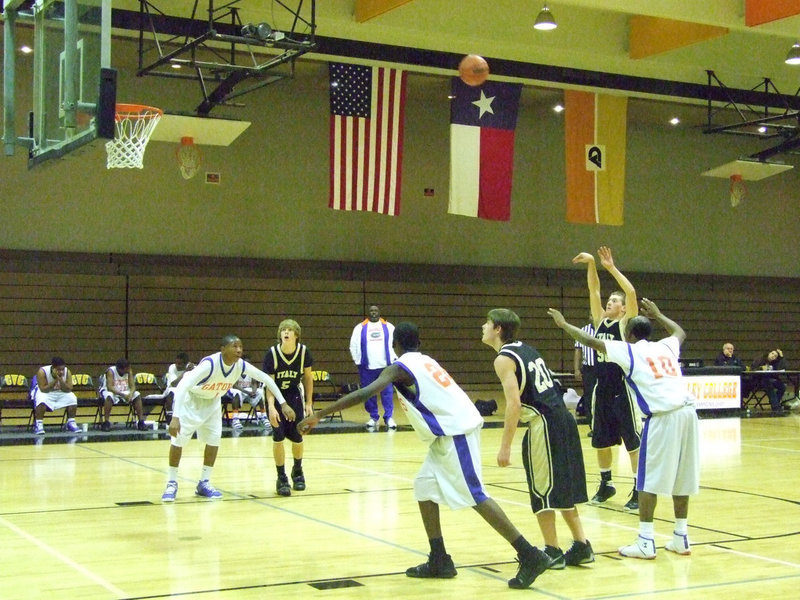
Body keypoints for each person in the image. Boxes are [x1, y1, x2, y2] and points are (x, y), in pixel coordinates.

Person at [299, 322, 551, 590]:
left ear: (394, 345)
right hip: (447, 434)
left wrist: (320, 414)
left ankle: (530, 554)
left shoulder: (399, 367)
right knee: (424, 487)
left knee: (475, 495)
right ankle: (439, 558)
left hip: (456, 432)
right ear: (418, 343)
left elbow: (365, 392)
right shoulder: (425, 360)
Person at [549, 298, 700, 560]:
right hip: (689, 414)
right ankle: (681, 537)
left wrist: (563, 325)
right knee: (682, 478)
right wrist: (658, 314)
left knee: (646, 481)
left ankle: (646, 541)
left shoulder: (629, 351)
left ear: (629, 334)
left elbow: (591, 341)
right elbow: (680, 332)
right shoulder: (665, 346)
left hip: (663, 417)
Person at [482, 309, 594, 569]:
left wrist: (505, 447)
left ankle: (552, 551)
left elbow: (513, 404)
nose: (483, 327)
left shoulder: (503, 359)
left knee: (542, 491)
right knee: (562, 487)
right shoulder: (528, 350)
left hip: (544, 423)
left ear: (498, 329)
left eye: (487, 323)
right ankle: (581, 545)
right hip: (564, 419)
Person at [161, 335, 294, 502]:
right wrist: (175, 417)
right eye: (234, 346)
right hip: (192, 401)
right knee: (178, 441)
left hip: (213, 402)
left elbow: (266, 378)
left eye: (241, 347)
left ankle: (204, 482)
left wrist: (283, 403)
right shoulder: (210, 364)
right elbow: (182, 386)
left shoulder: (240, 365)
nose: (239, 350)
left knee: (214, 441)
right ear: (223, 349)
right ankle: (171, 482)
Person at [573, 246, 641, 512]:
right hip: (601, 387)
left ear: (623, 310)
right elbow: (594, 290)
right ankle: (606, 484)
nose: (609, 303)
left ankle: (639, 488)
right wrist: (592, 264)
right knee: (600, 440)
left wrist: (611, 268)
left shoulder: (625, 324)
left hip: (622, 388)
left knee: (632, 443)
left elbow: (631, 293)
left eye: (614, 301)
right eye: (609, 300)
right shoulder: (600, 321)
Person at [263, 319, 314, 496]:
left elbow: (308, 378)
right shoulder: (272, 354)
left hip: (294, 396)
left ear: (296, 335)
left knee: (298, 437)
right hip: (276, 397)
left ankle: (297, 471)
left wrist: (309, 403)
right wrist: (271, 407)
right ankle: (281, 477)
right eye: (283, 329)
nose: (286, 332)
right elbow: (269, 384)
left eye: (289, 330)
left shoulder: (304, 352)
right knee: (278, 437)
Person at [349, 304, 397, 431]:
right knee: (369, 393)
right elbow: (353, 345)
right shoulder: (360, 328)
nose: (373, 313)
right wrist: (357, 361)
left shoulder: (389, 327)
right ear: (368, 313)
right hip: (367, 367)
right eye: (371, 311)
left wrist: (394, 359)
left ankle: (389, 417)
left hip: (385, 367)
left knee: (387, 393)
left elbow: (396, 343)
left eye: (376, 310)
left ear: (379, 312)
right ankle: (373, 417)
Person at [31, 357, 80, 435]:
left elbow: (69, 389)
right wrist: (55, 380)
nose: (61, 372)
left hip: (60, 392)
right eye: (58, 370)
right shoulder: (42, 371)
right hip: (44, 392)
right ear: (53, 368)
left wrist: (60, 380)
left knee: (72, 398)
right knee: (41, 399)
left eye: (62, 369)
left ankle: (71, 422)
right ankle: (38, 423)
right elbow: (43, 389)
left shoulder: (67, 372)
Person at [222, 354, 268, 431]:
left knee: (260, 392)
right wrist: (247, 392)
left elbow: (254, 383)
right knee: (237, 392)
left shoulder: (250, 371)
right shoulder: (235, 370)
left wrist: (254, 391)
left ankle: (264, 416)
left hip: (246, 392)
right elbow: (235, 386)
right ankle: (235, 419)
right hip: (233, 391)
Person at [99, 358, 144, 431]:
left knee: (137, 394)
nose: (129, 369)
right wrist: (123, 395)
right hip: (110, 391)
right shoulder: (111, 371)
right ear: (121, 369)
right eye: (127, 368)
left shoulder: (129, 371)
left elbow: (133, 387)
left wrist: (130, 394)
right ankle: (106, 422)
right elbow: (110, 387)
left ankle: (141, 422)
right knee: (109, 396)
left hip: (123, 391)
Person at [573, 319, 596, 428]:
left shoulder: (605, 329)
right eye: (591, 314)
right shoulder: (583, 330)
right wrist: (576, 369)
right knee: (589, 396)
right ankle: (592, 425)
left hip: (603, 367)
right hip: (589, 369)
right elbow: (578, 351)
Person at [163, 352, 196, 423]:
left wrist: (194, 370)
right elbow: (174, 384)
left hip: (186, 390)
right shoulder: (172, 367)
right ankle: (169, 415)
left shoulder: (193, 368)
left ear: (186, 364)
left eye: (180, 364)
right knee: (172, 392)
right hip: (172, 389)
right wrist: (186, 372)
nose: (177, 365)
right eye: (176, 363)